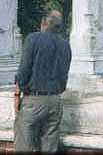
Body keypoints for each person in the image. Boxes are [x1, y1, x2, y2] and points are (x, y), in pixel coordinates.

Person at [14, 10, 72, 152]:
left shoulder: (33, 39)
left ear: (43, 23)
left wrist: (17, 94)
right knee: (49, 149)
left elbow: (24, 71)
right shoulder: (66, 45)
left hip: (34, 100)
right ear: (59, 26)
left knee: (24, 148)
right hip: (55, 101)